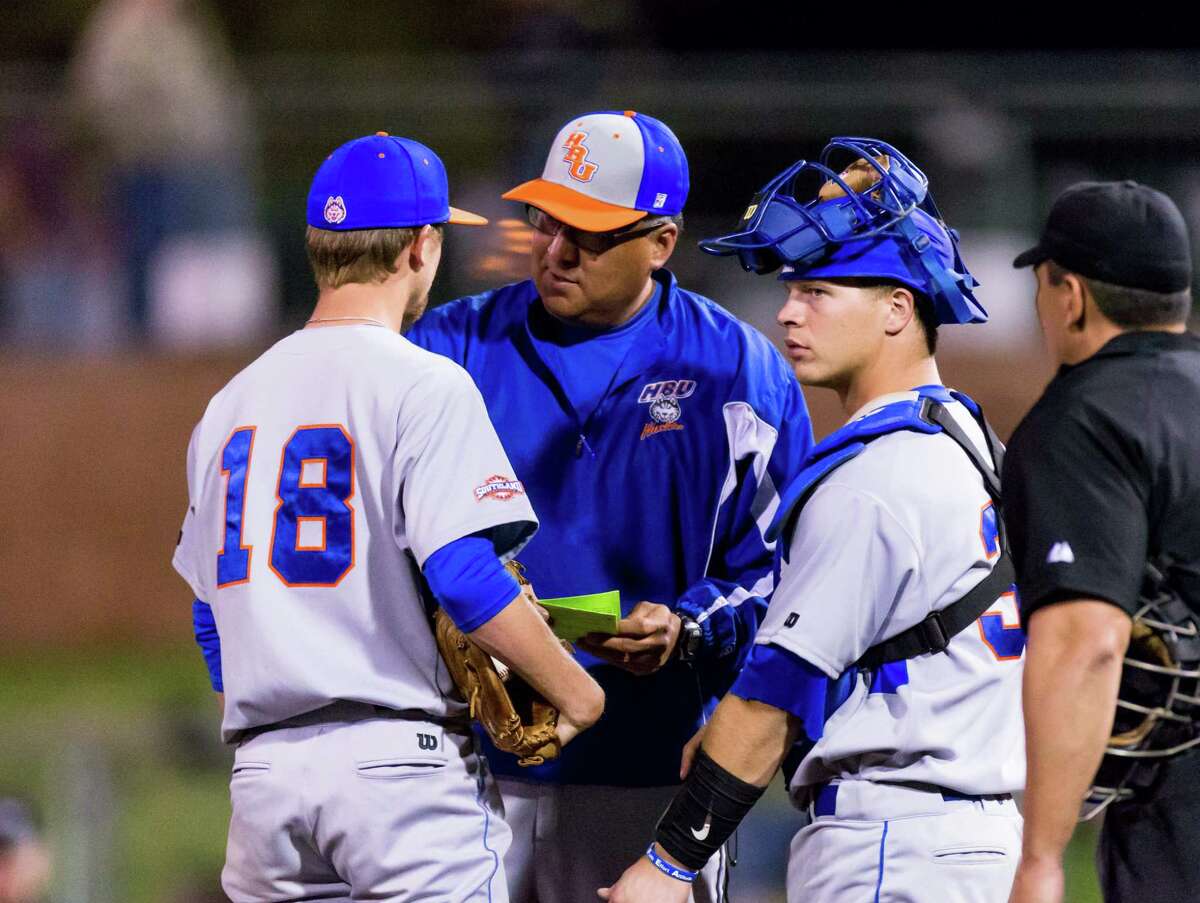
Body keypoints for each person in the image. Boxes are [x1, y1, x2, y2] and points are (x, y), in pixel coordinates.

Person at [171, 131, 604, 903]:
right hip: (397, 775)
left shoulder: (226, 406)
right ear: (420, 246)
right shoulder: (422, 384)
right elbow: (467, 578)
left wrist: (270, 729)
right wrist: (579, 692)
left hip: (264, 783)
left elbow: (210, 619)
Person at [601, 138, 1026, 903]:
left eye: (821, 291)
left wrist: (666, 864)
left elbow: (773, 692)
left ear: (900, 308)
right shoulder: (967, 437)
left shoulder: (875, 478)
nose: (790, 310)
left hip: (893, 847)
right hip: (975, 837)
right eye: (793, 288)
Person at [405, 109, 811, 902]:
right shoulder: (448, 349)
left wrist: (690, 623)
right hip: (463, 775)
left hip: (650, 775)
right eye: (543, 221)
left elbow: (787, 576)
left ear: (661, 243)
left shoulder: (736, 373)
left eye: (586, 233)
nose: (554, 251)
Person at [1002, 181, 1200, 903]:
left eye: (1042, 281)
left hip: (1177, 833)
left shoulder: (1082, 421)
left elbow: (1086, 643)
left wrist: (1042, 856)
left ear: (1071, 295)